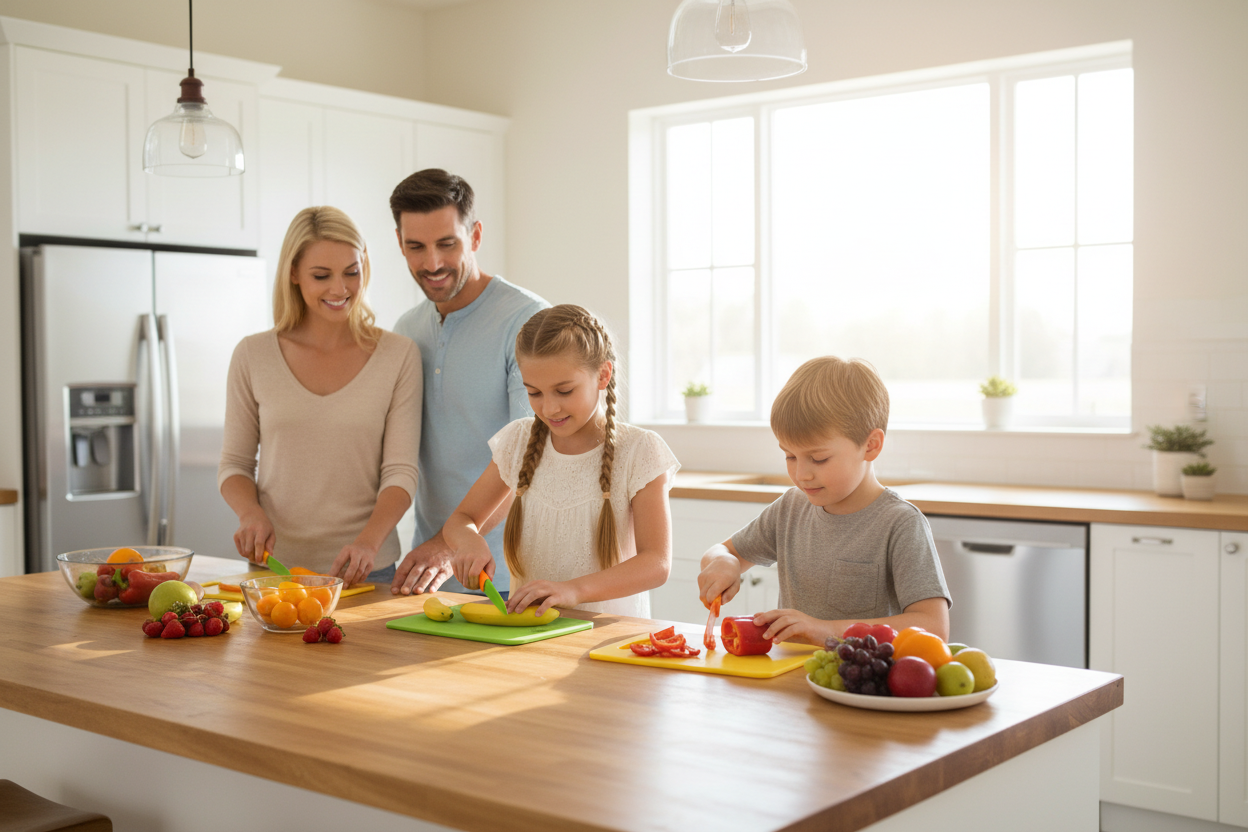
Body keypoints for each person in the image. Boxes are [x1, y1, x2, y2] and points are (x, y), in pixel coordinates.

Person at [218, 206, 421, 587]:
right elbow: (234, 464)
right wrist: (250, 514)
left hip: (367, 568)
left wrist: (368, 543)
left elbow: (400, 472)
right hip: (275, 569)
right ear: (293, 274)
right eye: (321, 275)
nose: (339, 289)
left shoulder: (399, 356)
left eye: (351, 272)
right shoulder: (253, 355)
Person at [697, 356, 951, 645]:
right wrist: (724, 562)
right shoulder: (791, 508)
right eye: (790, 456)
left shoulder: (900, 523)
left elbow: (933, 627)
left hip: (858, 688)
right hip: (789, 680)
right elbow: (721, 551)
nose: (801, 474)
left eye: (818, 458)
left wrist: (822, 629)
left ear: (870, 445)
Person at [444, 305, 678, 616]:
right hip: (529, 634)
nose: (550, 408)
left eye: (564, 391)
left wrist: (573, 590)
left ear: (603, 375)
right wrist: (469, 542)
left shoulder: (639, 450)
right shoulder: (517, 441)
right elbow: (461, 520)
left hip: (607, 643)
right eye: (534, 392)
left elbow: (656, 564)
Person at [388, 169, 549, 599]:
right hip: (431, 577)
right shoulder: (406, 330)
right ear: (399, 244)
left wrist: (448, 545)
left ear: (475, 236)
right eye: (415, 247)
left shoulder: (528, 323)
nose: (432, 263)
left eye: (448, 244)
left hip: (514, 573)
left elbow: (528, 459)